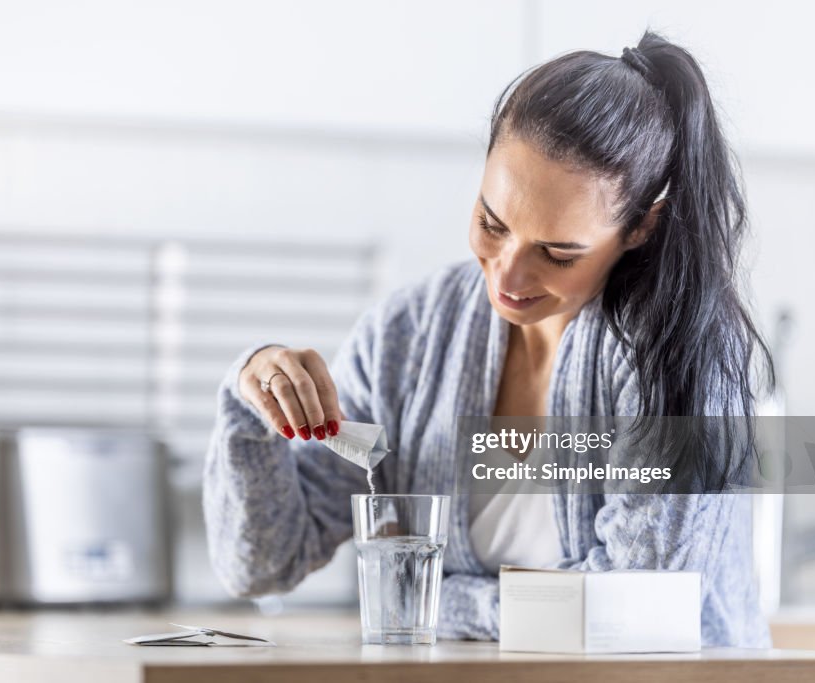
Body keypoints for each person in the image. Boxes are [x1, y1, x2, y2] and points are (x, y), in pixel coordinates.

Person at [202, 31, 773, 646]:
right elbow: (262, 564)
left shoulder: (678, 355)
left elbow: (632, 608)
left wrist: (430, 600)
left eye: (558, 253)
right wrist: (252, 397)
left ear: (640, 227)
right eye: (490, 222)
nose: (506, 276)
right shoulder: (409, 335)